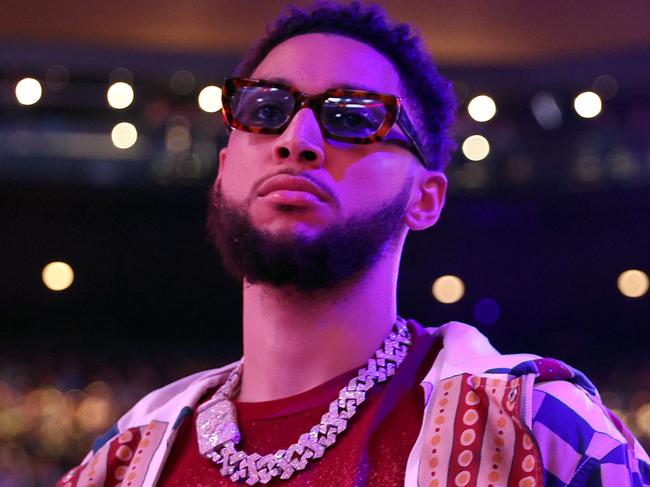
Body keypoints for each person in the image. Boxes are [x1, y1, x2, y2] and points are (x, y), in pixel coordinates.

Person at [58, 2, 649, 486]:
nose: (298, 139)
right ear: (222, 169)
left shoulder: (542, 432)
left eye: (352, 117)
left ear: (426, 197)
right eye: (265, 109)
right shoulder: (124, 461)